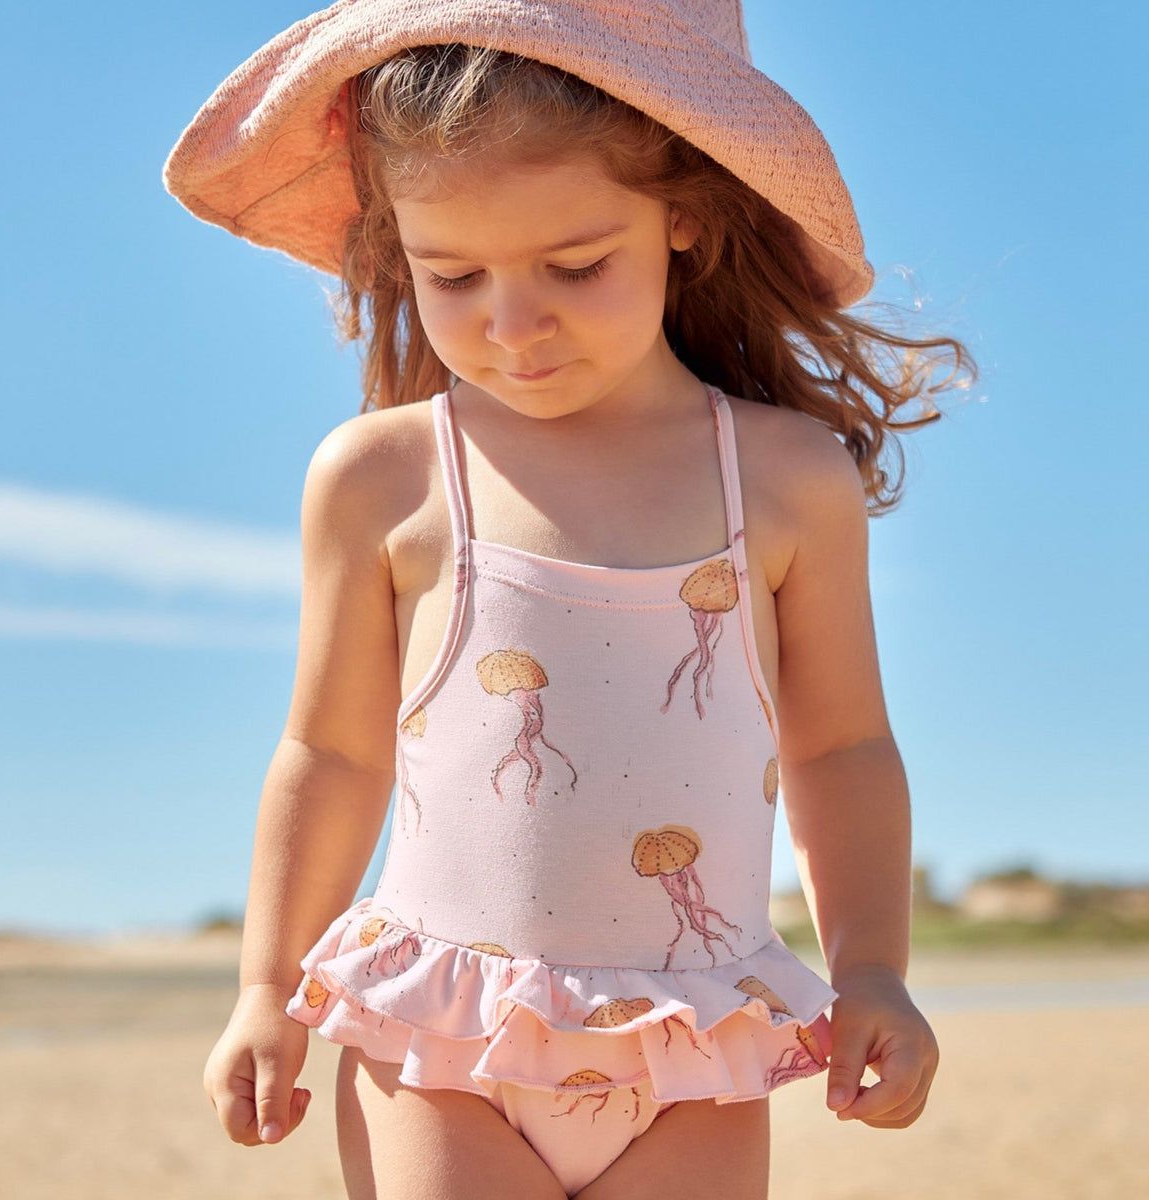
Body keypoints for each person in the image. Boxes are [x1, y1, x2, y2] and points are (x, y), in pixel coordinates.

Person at [165, 2, 969, 1196]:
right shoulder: (383, 476)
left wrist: (874, 973)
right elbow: (328, 757)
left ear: (682, 215)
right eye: (454, 275)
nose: (512, 324)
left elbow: (842, 748)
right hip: (439, 1039)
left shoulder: (787, 479)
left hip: (693, 1037)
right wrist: (264, 989)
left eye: (576, 266)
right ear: (401, 250)